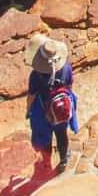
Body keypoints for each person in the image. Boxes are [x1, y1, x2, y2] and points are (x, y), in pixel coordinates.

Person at [25, 34, 77, 175]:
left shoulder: (36, 75)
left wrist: (28, 110)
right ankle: (64, 160)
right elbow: (69, 86)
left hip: (43, 111)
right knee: (61, 134)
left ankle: (46, 163)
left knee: (45, 138)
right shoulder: (66, 67)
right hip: (60, 109)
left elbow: (31, 95)